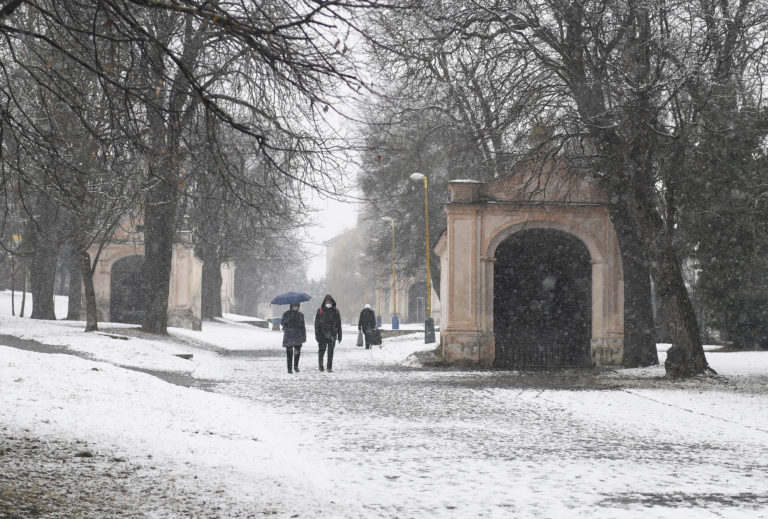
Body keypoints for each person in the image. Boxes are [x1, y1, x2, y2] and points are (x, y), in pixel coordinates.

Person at [314, 294, 342, 372]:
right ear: (325, 302)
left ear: (332, 302)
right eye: (327, 301)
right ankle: (321, 365)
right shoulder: (320, 310)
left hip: (332, 334)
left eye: (330, 301)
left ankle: (329, 367)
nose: (328, 302)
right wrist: (317, 334)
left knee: (330, 352)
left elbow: (338, 324)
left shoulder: (336, 311)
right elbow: (316, 324)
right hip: (322, 335)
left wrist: (340, 335)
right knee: (321, 351)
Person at [281, 302, 306, 374]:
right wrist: (289, 319)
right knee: (289, 353)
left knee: (297, 352)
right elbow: (282, 323)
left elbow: (303, 326)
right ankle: (289, 368)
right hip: (289, 335)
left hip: (298, 335)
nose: (296, 307)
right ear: (291, 306)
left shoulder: (301, 315)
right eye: (294, 305)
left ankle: (296, 366)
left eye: (297, 305)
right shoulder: (286, 314)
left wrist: (304, 336)